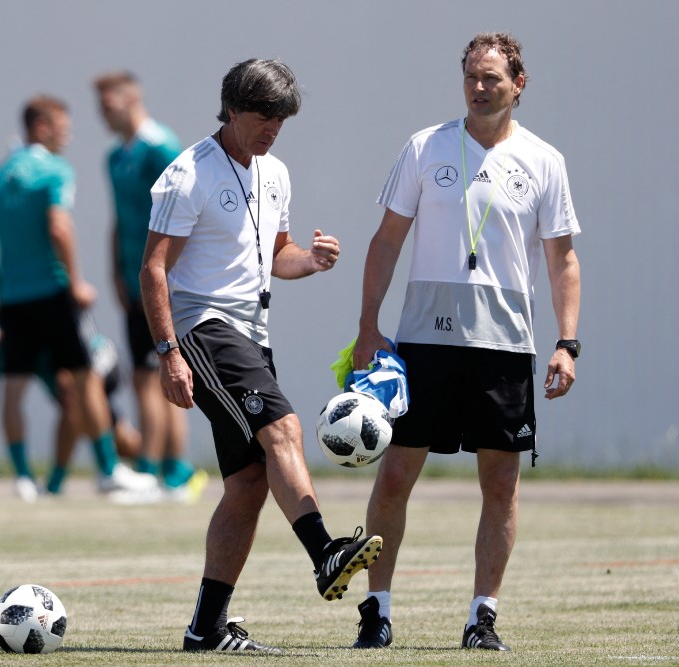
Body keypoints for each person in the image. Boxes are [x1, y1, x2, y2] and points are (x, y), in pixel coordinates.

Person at [140, 58, 383, 653]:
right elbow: (153, 270)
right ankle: (325, 553)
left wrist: (314, 259)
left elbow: (279, 255)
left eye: (280, 117)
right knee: (286, 426)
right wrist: (169, 353)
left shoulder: (274, 172)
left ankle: (205, 630)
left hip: (251, 335)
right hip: (204, 327)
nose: (272, 127)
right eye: (261, 115)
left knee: (248, 483)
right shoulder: (187, 175)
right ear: (230, 108)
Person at [349, 32, 581, 651]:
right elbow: (386, 240)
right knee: (395, 476)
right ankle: (377, 611)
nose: (480, 89)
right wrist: (369, 326)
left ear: (519, 85)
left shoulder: (544, 160)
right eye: (472, 78)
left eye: (493, 79)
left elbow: (562, 260)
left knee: (500, 485)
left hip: (504, 347)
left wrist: (568, 342)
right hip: (425, 342)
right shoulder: (425, 147)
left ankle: (483, 618)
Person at [0, 96, 156, 504]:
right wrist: (75, 282)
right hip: (53, 292)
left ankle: (22, 478)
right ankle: (108, 470)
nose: (69, 134)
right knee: (86, 375)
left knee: (13, 387)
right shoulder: (54, 170)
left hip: (13, 299)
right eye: (62, 125)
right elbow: (59, 226)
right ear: (41, 127)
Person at [93, 70, 204, 500]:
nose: (103, 114)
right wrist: (116, 272)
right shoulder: (113, 157)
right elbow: (119, 222)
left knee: (150, 375)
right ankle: (174, 471)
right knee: (152, 375)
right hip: (132, 280)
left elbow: (185, 216)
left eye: (108, 104)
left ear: (131, 97)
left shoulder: (161, 148)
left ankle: (153, 470)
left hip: (162, 280)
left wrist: (172, 275)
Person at [0, 306, 145, 505]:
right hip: (64, 385)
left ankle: (81, 478)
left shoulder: (3, 306)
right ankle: (156, 470)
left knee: (76, 398)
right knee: (122, 441)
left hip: (93, 357)